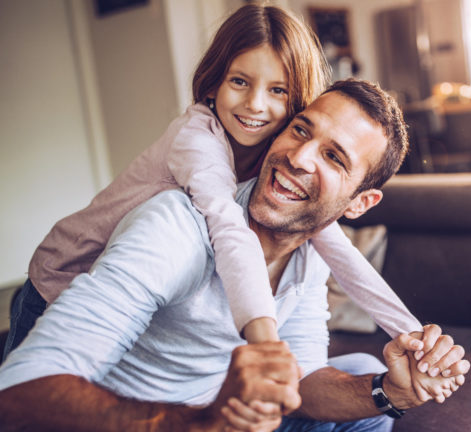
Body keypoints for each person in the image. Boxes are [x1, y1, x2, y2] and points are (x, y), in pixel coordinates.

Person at [0, 79, 470, 431]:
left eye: (334, 157)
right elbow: (17, 392)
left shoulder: (311, 249)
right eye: (300, 130)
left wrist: (394, 393)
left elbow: (302, 380)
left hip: (218, 418)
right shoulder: (176, 227)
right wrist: (202, 422)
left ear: (359, 203)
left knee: (366, 378)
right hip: (149, 421)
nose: (299, 157)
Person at [5, 4, 421, 363]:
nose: (255, 105)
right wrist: (265, 341)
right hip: (60, 279)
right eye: (239, 81)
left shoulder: (279, 150)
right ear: (214, 81)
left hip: (125, 288)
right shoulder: (196, 140)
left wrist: (411, 334)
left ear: (297, 100)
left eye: (277, 90)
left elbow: (339, 249)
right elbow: (228, 229)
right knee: (29, 403)